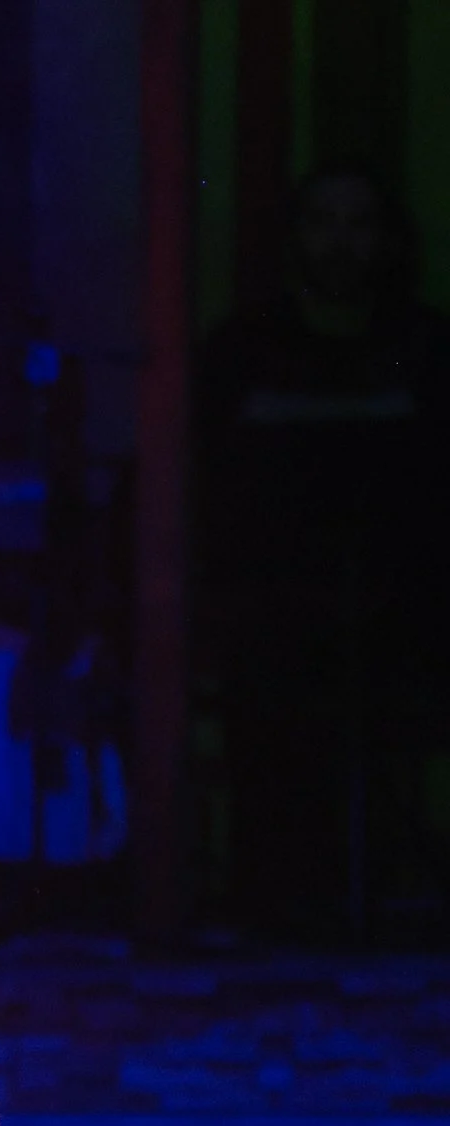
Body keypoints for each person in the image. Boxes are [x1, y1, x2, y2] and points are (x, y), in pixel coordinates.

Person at [199, 164, 450, 940]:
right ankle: (273, 898)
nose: (342, 245)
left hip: (406, 608)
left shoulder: (425, 343)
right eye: (323, 223)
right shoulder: (245, 346)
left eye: (360, 223)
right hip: (274, 607)